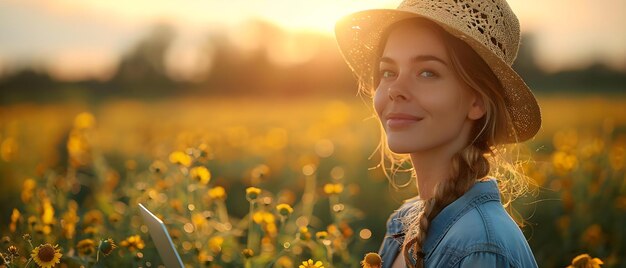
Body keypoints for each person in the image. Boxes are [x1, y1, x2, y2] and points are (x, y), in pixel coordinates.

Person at [335, 0, 542, 267]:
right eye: (388, 72)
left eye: (427, 72)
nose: (395, 89)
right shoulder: (403, 221)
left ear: (477, 101)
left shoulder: (480, 247)